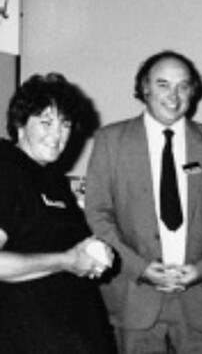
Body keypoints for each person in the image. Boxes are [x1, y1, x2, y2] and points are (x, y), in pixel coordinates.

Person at [84, 50, 202, 354]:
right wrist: (139, 267)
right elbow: (97, 213)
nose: (174, 96)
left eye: (183, 86)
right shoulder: (110, 141)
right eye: (163, 84)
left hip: (200, 298)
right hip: (134, 298)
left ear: (193, 92)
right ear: (144, 88)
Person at [0, 73, 116, 353]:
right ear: (20, 124)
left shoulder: (53, 179)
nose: (57, 134)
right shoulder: (6, 170)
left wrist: (93, 258)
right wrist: (67, 261)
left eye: (65, 124)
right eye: (46, 122)